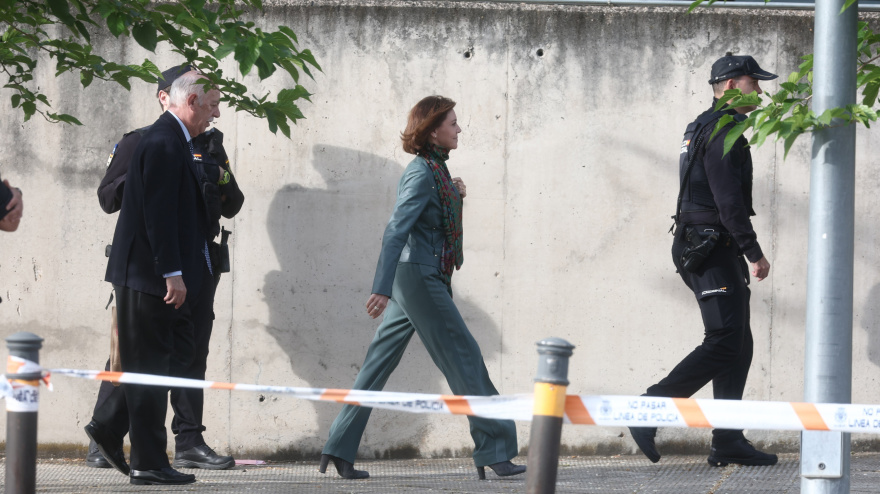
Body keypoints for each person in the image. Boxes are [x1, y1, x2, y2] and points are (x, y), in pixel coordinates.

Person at [319, 95, 525, 481]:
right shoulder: (422, 172)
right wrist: (381, 287)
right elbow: (396, 229)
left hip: (420, 275)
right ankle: (495, 450)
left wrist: (456, 195)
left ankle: (339, 446)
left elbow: (435, 222)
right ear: (433, 131)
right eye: (452, 123)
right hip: (418, 277)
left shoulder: (437, 170)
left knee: (378, 362)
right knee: (465, 356)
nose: (459, 128)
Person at [85, 65, 243, 472]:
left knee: (183, 353)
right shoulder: (148, 142)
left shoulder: (204, 144)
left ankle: (180, 441)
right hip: (153, 270)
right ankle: (116, 437)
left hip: (195, 264)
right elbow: (126, 203)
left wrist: (213, 174)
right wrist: (148, 177)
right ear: (181, 99)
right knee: (137, 358)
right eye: (211, 104)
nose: (216, 114)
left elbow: (231, 200)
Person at [629, 53, 779, 467]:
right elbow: (728, 200)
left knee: (738, 343)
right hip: (709, 244)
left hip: (708, 243)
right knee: (725, 339)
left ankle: (727, 439)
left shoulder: (702, 124)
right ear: (731, 85)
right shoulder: (724, 129)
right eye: (753, 82)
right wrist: (754, 252)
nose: (760, 91)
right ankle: (650, 408)